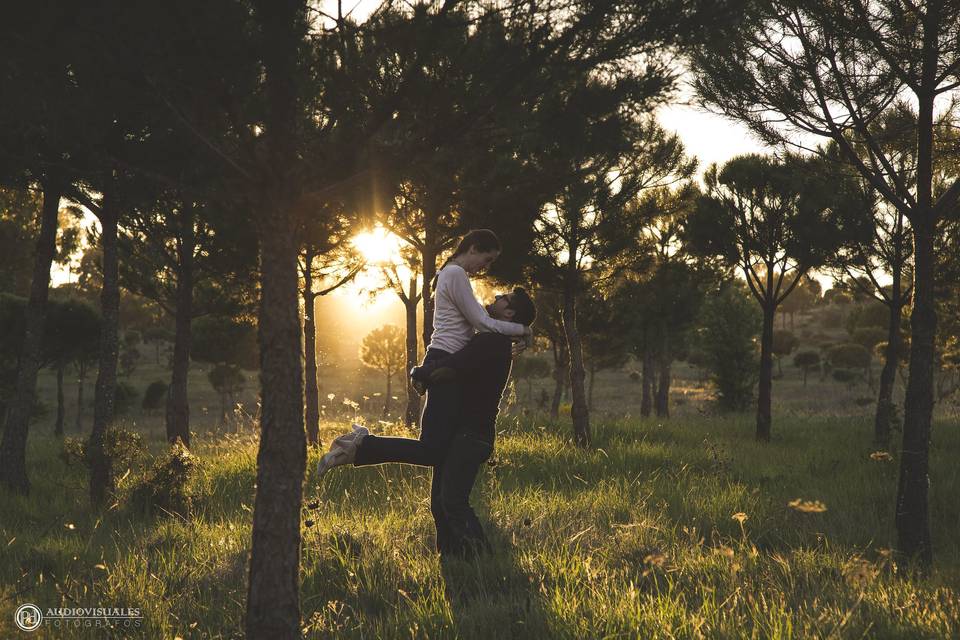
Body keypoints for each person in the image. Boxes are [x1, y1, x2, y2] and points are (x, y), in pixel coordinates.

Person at [317, 229, 530, 551]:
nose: (482, 269)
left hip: (450, 364)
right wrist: (523, 330)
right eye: (485, 259)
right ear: (473, 248)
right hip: (446, 364)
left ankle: (451, 553)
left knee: (442, 458)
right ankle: (361, 446)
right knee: (432, 450)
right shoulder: (456, 273)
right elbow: (481, 323)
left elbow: (477, 332)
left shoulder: (454, 276)